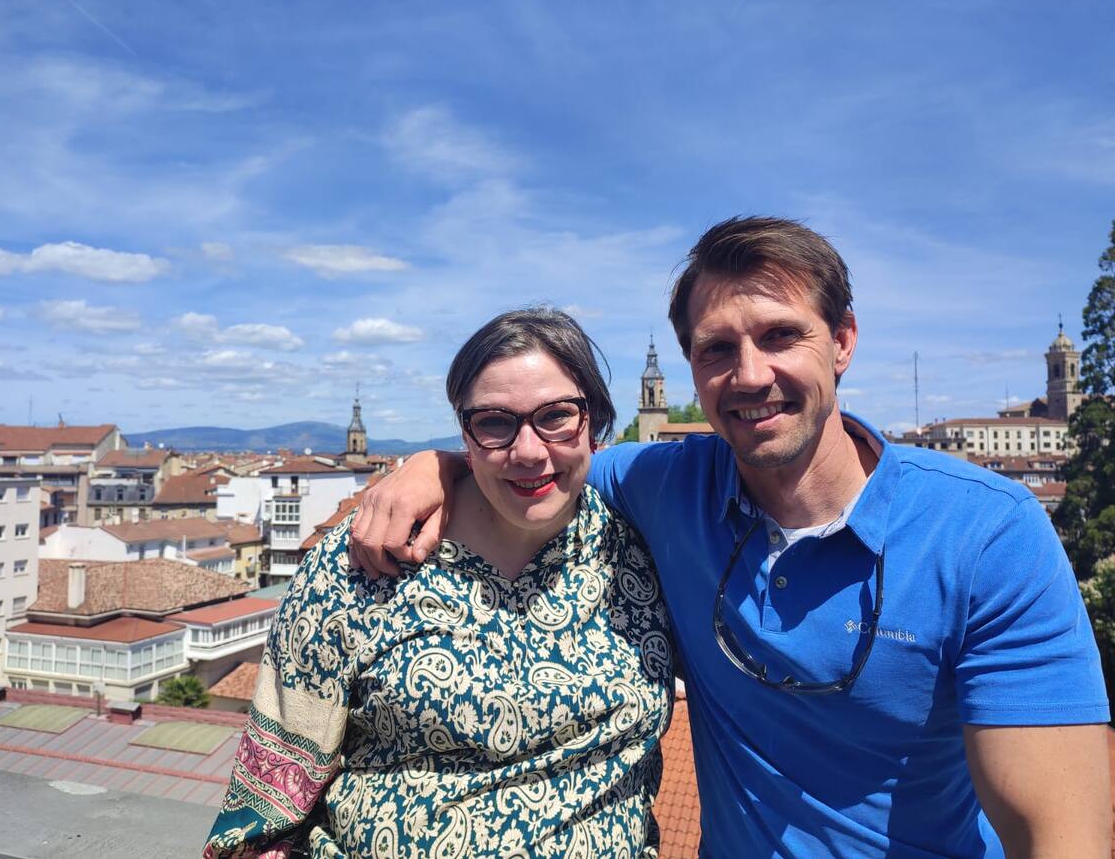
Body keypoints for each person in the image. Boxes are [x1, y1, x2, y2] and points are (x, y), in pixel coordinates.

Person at [350, 216, 1112, 857]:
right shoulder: (663, 485)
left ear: (842, 341)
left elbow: (1060, 830)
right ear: (690, 365)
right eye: (717, 348)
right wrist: (433, 465)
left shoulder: (986, 533)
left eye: (781, 335)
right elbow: (540, 464)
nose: (750, 375)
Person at [205, 308, 674, 858]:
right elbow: (267, 804)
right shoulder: (364, 559)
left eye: (556, 416)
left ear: (594, 423)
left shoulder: (645, 548)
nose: (527, 450)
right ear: (466, 434)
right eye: (495, 421)